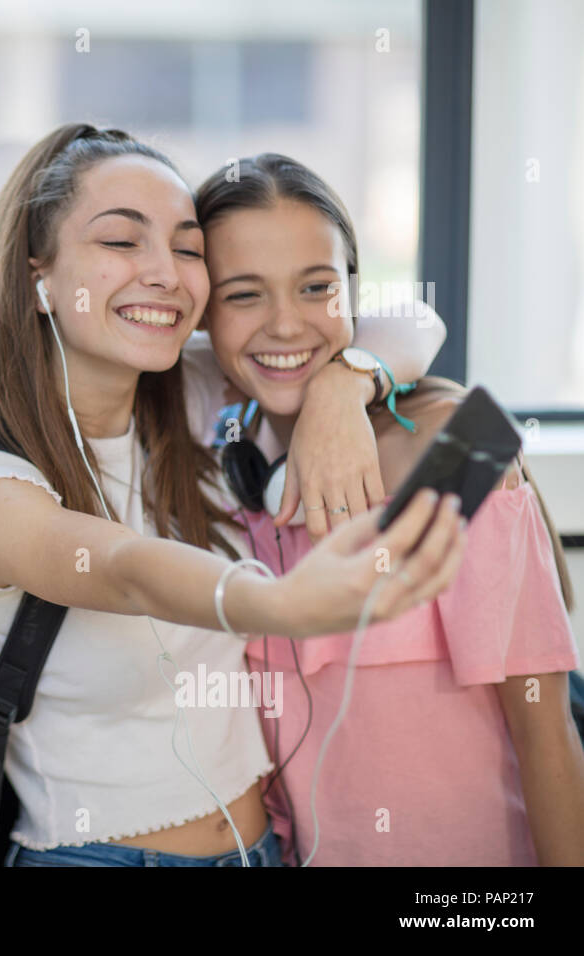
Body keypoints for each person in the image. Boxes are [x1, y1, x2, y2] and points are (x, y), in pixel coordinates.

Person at [0, 123, 467, 867]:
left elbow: (413, 319)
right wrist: (277, 602)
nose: (164, 273)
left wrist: (345, 388)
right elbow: (120, 566)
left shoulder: (189, 394)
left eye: (186, 248)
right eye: (123, 242)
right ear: (38, 278)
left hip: (263, 848)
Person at [195, 151, 584, 865]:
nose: (285, 326)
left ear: (352, 294)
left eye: (316, 288)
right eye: (243, 294)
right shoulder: (224, 465)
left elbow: (545, 731)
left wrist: (346, 385)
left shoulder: (451, 447)